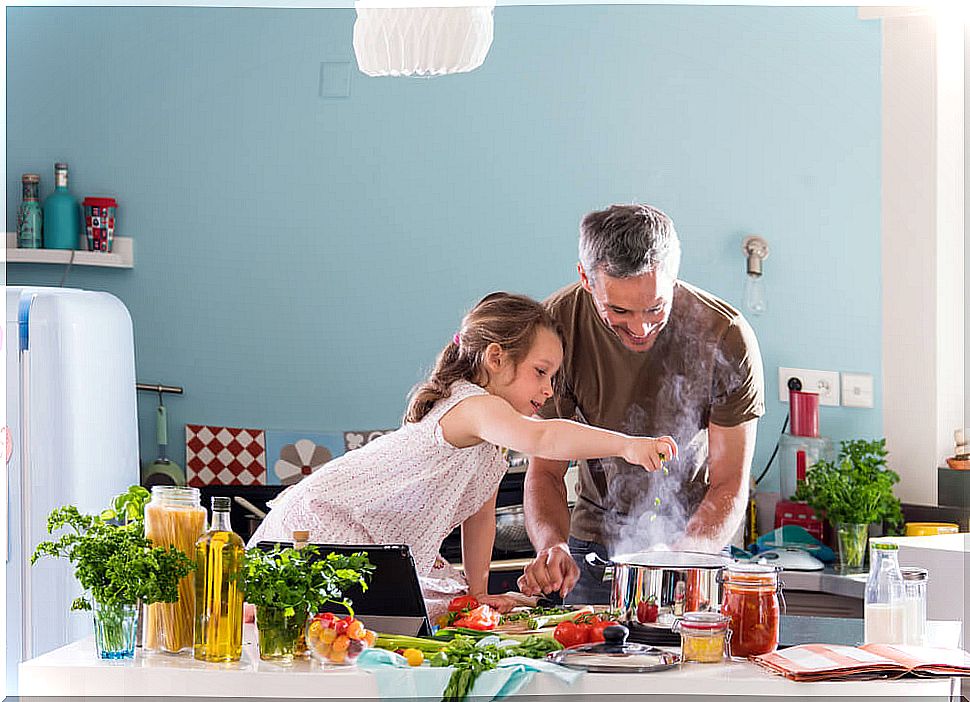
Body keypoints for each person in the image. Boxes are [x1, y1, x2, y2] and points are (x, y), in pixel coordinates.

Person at [249, 292, 676, 620]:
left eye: (554, 377)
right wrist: (627, 445)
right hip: (326, 523)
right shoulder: (472, 406)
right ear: (495, 358)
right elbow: (544, 438)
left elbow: (479, 517)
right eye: (540, 372)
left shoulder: (490, 439)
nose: (548, 390)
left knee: (455, 606)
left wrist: (478, 589)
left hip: (367, 543)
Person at [517, 204, 765, 604]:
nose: (641, 327)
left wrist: (683, 557)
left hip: (695, 547)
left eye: (655, 308)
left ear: (674, 275)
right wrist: (551, 546)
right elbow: (545, 470)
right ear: (586, 278)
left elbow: (729, 483)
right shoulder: (554, 328)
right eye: (619, 310)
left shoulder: (726, 335)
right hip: (591, 547)